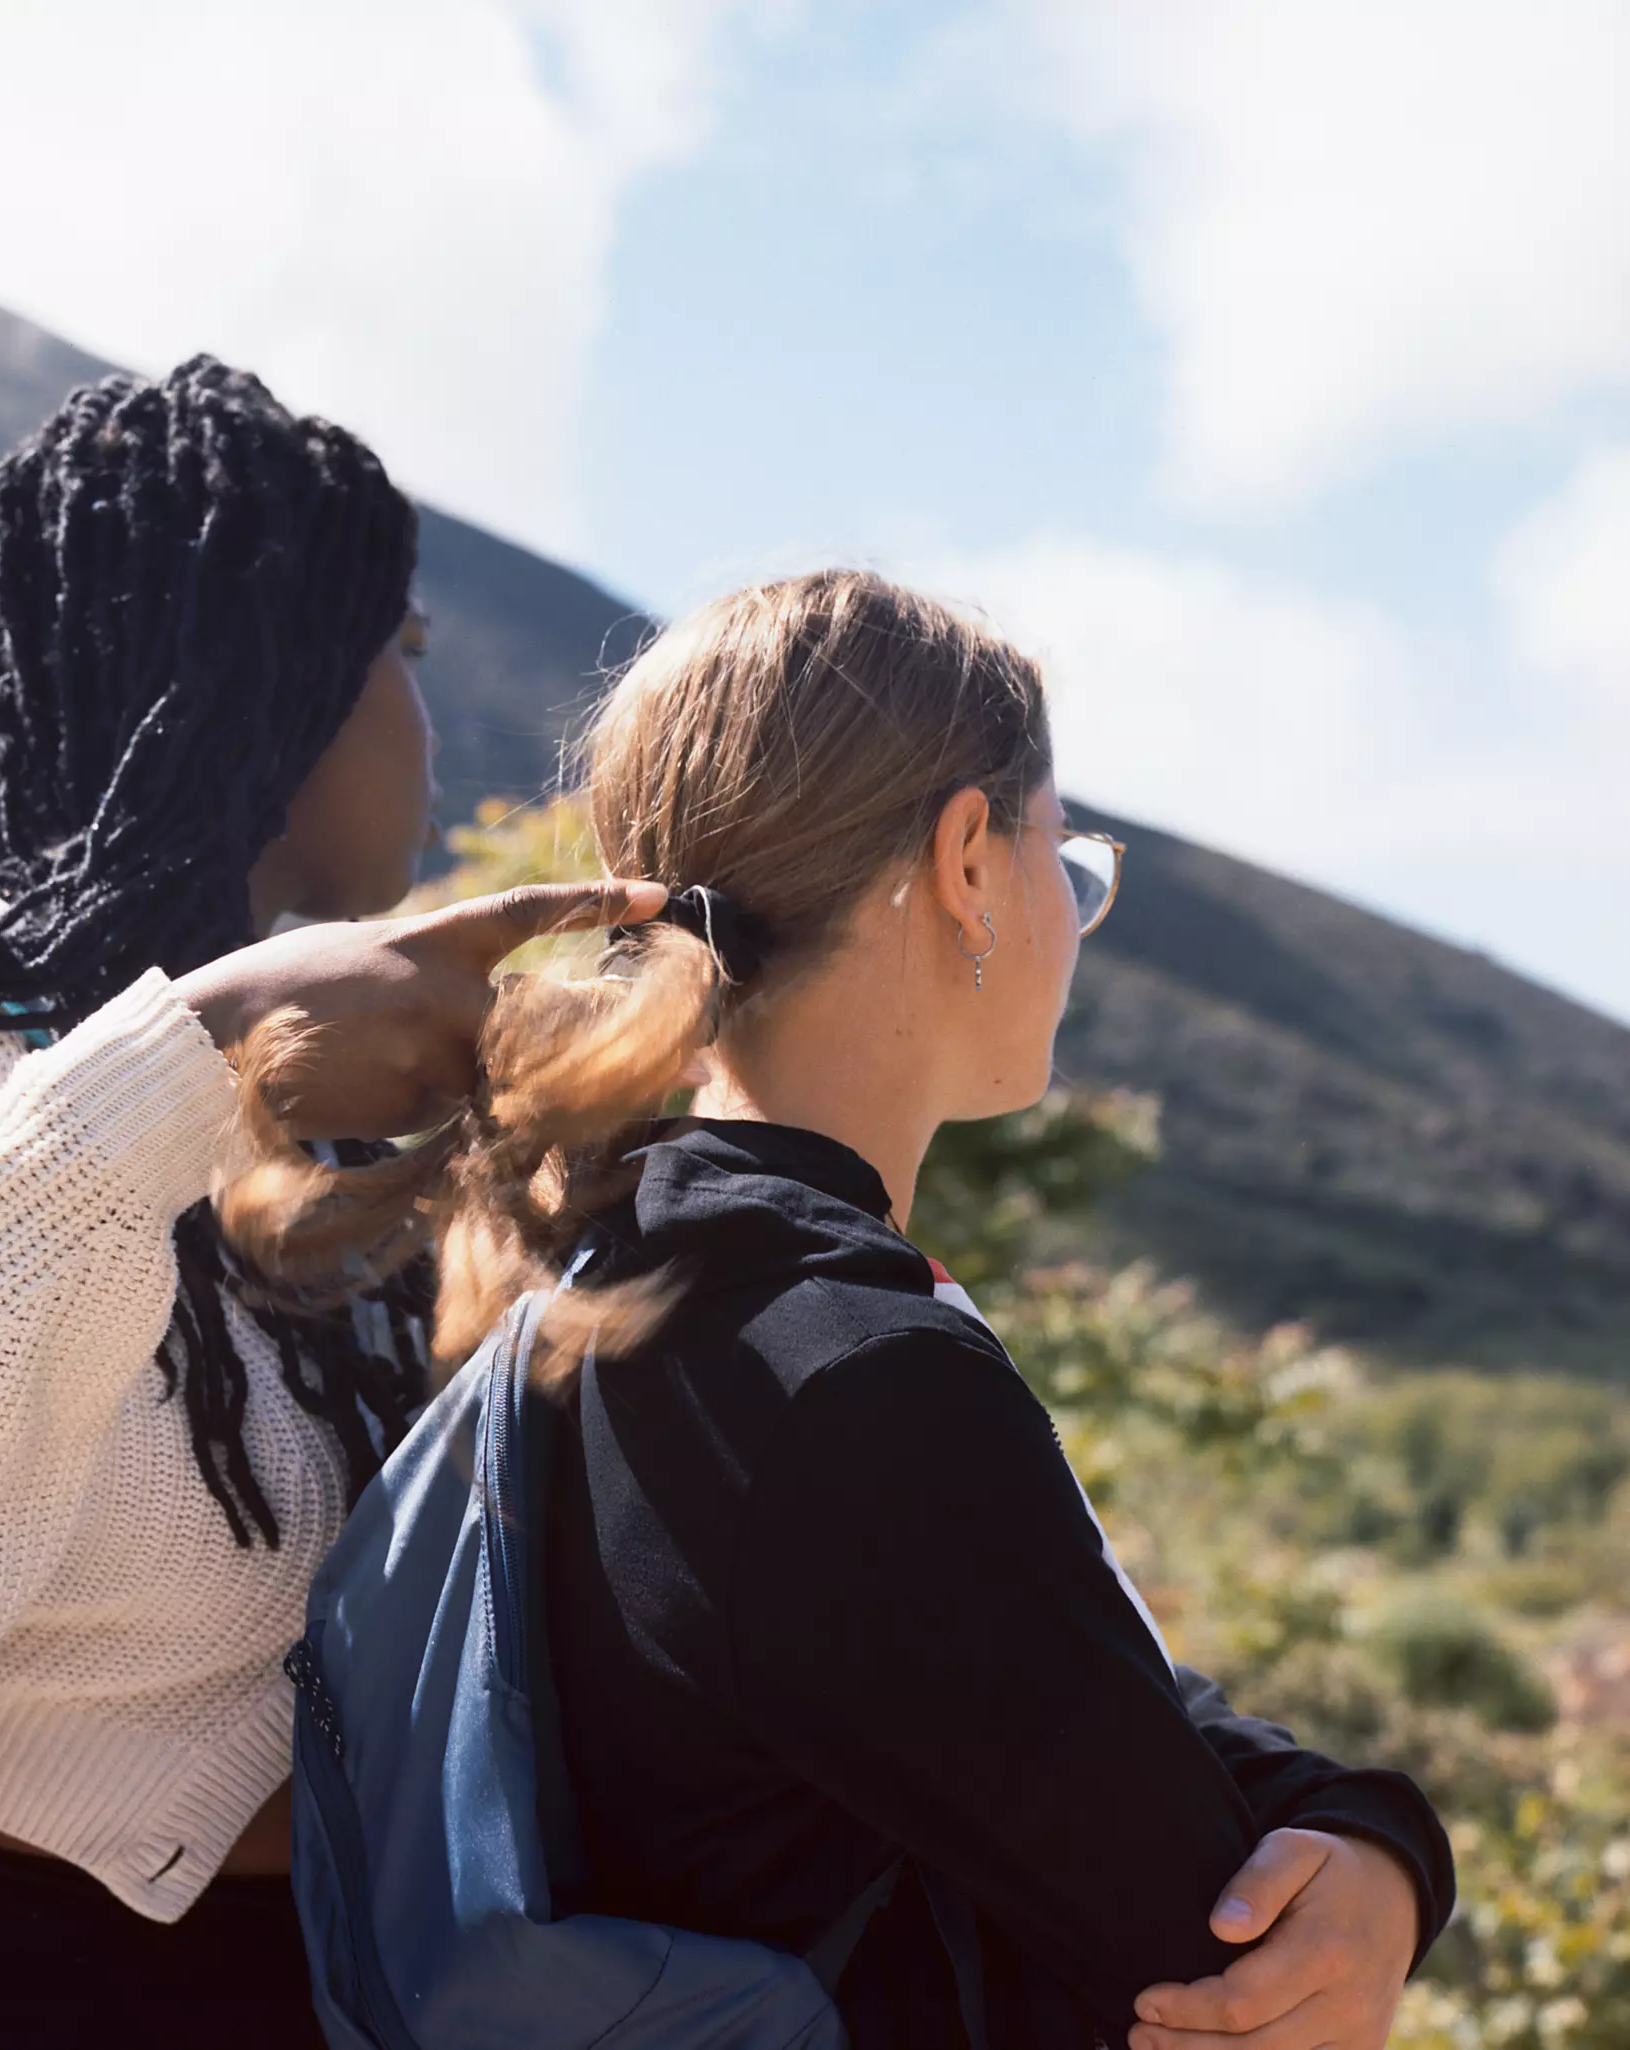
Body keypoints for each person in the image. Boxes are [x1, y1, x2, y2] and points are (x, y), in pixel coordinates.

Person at [0, 354, 660, 2050]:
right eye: (409, 655)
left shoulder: (317, 1113)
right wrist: (199, 1056)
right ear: (274, 684)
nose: (429, 727)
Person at [232, 569, 1455, 2048]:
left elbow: (1037, 1678)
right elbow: (1211, 1955)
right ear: (964, 864)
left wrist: (1360, 1828)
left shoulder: (604, 1278)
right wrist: (1385, 1848)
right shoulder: (847, 1376)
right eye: (1065, 859)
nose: (1075, 913)